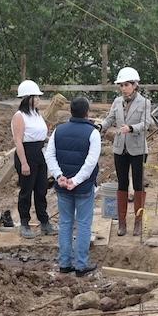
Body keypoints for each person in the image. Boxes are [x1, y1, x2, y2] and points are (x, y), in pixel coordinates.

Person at [44, 96, 101, 277]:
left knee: (65, 223)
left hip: (62, 186)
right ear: (87, 112)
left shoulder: (58, 131)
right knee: (84, 224)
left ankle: (64, 263)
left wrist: (59, 176)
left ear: (70, 111)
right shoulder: (93, 133)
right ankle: (81, 265)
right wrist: (76, 181)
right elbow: (91, 162)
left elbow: (49, 155)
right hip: (83, 188)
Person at [101, 67, 151, 236]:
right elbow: (110, 119)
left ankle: (138, 221)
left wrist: (131, 128)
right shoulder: (117, 102)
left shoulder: (144, 102)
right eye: (121, 85)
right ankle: (122, 223)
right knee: (122, 183)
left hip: (137, 148)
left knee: (138, 184)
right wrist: (101, 126)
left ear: (135, 85)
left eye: (127, 84)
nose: (124, 88)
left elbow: (146, 124)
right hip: (120, 147)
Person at [11, 80, 54, 239]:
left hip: (39, 154)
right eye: (35, 97)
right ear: (26, 98)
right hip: (26, 154)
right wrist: (23, 163)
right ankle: (24, 223)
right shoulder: (19, 116)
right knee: (26, 191)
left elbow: (41, 135)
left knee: (41, 189)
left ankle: (44, 222)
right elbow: (18, 141)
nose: (38, 100)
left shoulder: (36, 114)